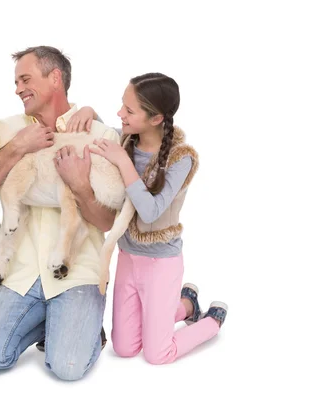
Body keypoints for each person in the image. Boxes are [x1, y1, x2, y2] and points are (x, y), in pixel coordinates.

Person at [0, 46, 119, 381]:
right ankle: (49, 326)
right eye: (16, 81)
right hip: (20, 273)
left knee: (67, 368)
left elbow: (108, 221)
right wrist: (20, 146)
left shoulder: (98, 133)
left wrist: (80, 186)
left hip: (78, 270)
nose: (18, 88)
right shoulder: (10, 130)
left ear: (55, 78)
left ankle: (84, 329)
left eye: (25, 79)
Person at [71, 72, 228, 364]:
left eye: (129, 110)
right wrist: (89, 112)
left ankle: (211, 321)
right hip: (128, 256)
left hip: (161, 263)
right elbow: (107, 137)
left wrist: (121, 161)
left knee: (158, 354)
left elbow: (151, 210)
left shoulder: (182, 158)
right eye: (121, 105)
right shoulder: (126, 140)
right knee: (125, 348)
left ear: (155, 119)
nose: (120, 113)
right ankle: (185, 306)